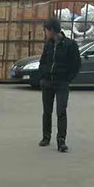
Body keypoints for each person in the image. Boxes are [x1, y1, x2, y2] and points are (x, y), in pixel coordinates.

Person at [38, 18, 82, 152]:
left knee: (61, 111)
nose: (45, 33)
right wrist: (43, 76)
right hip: (48, 83)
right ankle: (46, 137)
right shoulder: (49, 45)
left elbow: (76, 64)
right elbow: (43, 61)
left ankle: (61, 140)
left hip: (62, 83)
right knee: (47, 111)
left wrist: (67, 79)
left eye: (46, 30)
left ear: (52, 30)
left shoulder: (70, 45)